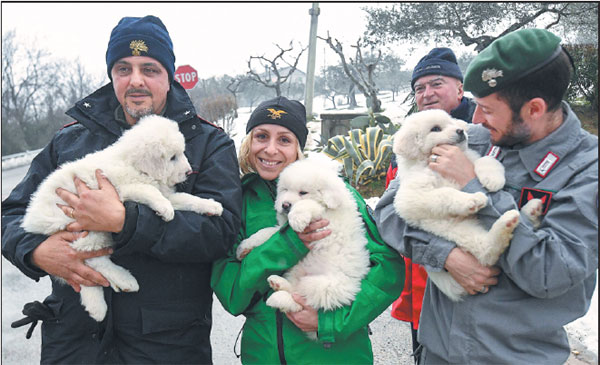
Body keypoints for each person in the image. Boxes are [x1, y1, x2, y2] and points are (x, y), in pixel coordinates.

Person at [1, 15, 241, 364]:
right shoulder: (69, 140)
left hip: (165, 347)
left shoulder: (208, 144)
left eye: (150, 68)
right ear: (112, 74)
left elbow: (221, 231)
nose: (136, 80)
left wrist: (126, 221)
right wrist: (36, 252)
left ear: (169, 75)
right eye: (124, 68)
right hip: (74, 345)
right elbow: (11, 213)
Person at [374, 28, 598, 364]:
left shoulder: (587, 171)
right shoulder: (476, 139)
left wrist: (474, 189)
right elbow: (389, 211)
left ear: (534, 109)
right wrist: (445, 254)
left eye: (488, 110)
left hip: (516, 356)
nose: (475, 119)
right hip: (437, 349)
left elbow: (551, 273)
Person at [211, 96, 405, 364]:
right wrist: (290, 243)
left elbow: (388, 268)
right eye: (261, 136)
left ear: (298, 147)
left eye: (284, 140)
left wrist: (329, 321)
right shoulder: (237, 202)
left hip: (336, 354)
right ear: (249, 142)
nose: (270, 149)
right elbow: (232, 295)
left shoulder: (333, 191)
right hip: (263, 354)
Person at [385, 47, 477, 358]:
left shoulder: (483, 134)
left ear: (460, 88)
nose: (427, 93)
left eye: (437, 83)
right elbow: (389, 212)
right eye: (419, 88)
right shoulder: (412, 138)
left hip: (473, 282)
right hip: (420, 285)